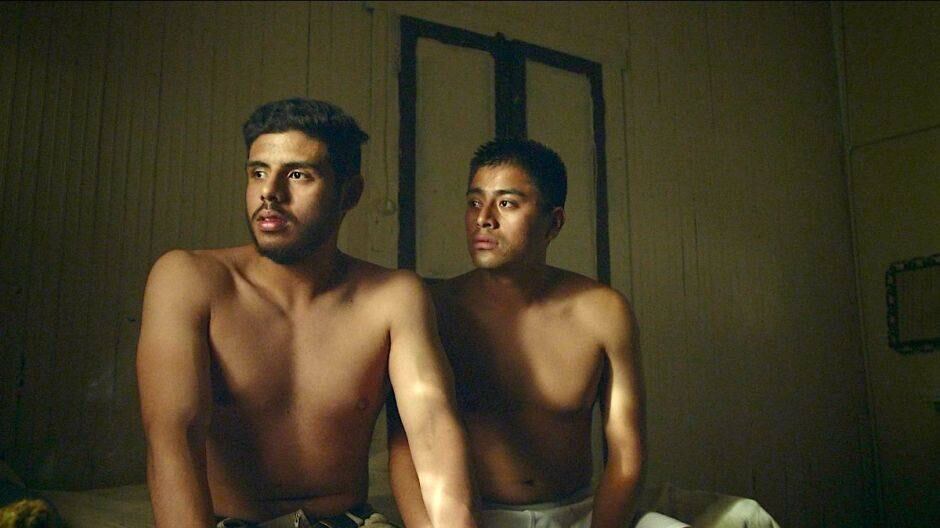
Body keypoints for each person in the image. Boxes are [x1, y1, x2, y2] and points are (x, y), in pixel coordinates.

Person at [136, 98, 478, 528]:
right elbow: (174, 441)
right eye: (258, 172)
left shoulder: (394, 296)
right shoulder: (188, 279)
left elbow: (431, 430)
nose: (270, 192)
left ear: (349, 193)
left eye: (298, 175)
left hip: (347, 521)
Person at [389, 138, 685, 528]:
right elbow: (404, 448)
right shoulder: (433, 308)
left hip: (579, 514)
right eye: (474, 202)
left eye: (507, 204)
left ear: (554, 222)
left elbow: (627, 455)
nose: (484, 219)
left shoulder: (602, 312)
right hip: (469, 518)